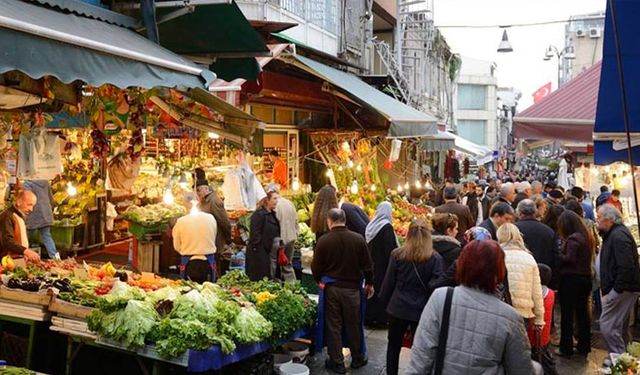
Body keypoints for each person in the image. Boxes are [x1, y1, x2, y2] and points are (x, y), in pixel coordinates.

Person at [407, 240, 537, 375]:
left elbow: (422, 355)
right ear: (499, 270)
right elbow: (521, 369)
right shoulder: (510, 317)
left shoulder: (442, 298)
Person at [312, 208, 373, 373]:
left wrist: (319, 281)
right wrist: (370, 283)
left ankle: (337, 362)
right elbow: (368, 265)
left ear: (329, 221)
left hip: (332, 289)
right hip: (353, 290)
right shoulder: (358, 239)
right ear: (345, 220)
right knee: (354, 323)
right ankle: (358, 358)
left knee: (334, 325)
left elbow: (316, 267)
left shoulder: (324, 241)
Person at [379, 219, 443, 375]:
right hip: (421, 310)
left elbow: (388, 283)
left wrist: (385, 303)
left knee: (393, 346)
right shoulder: (435, 259)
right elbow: (436, 286)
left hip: (398, 307)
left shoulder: (398, 255)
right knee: (419, 349)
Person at [596, 204, 640, 354]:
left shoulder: (618, 236)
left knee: (607, 326)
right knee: (619, 327)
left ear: (609, 220)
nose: (597, 221)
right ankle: (623, 359)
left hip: (622, 289)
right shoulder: (614, 234)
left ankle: (619, 358)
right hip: (622, 288)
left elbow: (626, 267)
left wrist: (616, 290)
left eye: (599, 218)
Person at [556, 210, 593, 357]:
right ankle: (584, 347)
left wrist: (558, 254)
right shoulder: (586, 236)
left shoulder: (573, 239)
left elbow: (570, 259)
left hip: (571, 280)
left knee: (567, 314)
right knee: (582, 314)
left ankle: (566, 348)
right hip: (585, 279)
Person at [496, 223, 545, 329]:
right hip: (523, 312)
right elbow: (536, 291)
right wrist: (539, 318)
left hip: (499, 310)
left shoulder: (496, 256)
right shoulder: (529, 258)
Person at [364, 201, 397, 325]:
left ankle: (368, 316)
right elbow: (390, 249)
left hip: (372, 263)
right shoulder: (387, 227)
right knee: (380, 291)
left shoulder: (371, 225)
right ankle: (379, 318)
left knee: (371, 290)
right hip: (383, 265)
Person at [172, 193, 217, 283]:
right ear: (199, 202)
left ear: (184, 205)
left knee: (188, 293)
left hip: (188, 263)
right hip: (208, 261)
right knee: (210, 292)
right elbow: (214, 237)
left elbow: (176, 246)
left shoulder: (181, 222)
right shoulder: (211, 218)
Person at [527, 264, 559, 375]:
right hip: (544, 335)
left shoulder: (534, 295)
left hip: (533, 335)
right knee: (544, 357)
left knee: (541, 362)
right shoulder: (550, 293)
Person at [196, 181, 232, 274]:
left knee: (216, 266)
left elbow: (224, 222)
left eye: (199, 190)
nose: (198, 193)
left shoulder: (214, 201)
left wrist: (228, 239)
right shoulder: (203, 201)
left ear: (206, 189)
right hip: (207, 240)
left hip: (216, 240)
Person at [515, 200, 558, 272]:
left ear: (519, 212)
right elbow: (555, 256)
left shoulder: (514, 230)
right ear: (535, 212)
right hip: (543, 273)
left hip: (520, 271)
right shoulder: (548, 231)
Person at [247, 191, 280, 281]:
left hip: (267, 251)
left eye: (277, 198)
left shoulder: (272, 214)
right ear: (267, 200)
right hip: (259, 253)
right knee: (260, 277)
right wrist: (261, 248)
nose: (277, 201)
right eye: (274, 198)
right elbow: (255, 233)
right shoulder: (259, 214)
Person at [267, 184, 297, 281]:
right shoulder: (289, 203)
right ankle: (293, 288)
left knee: (273, 263)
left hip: (280, 239)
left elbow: (274, 224)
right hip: (291, 238)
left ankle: (273, 286)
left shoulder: (274, 205)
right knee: (287, 264)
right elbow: (296, 221)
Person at [0, 190, 40, 262]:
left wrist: (23, 253)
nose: (31, 209)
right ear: (18, 202)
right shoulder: (7, 216)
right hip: (6, 261)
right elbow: (7, 241)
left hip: (17, 260)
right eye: (29, 205)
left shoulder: (19, 216)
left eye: (33, 206)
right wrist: (26, 251)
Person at [23, 180, 59, 259]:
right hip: (46, 213)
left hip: (33, 213)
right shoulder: (45, 182)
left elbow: (27, 198)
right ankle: (56, 258)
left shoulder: (27, 183)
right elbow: (51, 198)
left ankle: (24, 257)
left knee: (25, 237)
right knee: (47, 236)